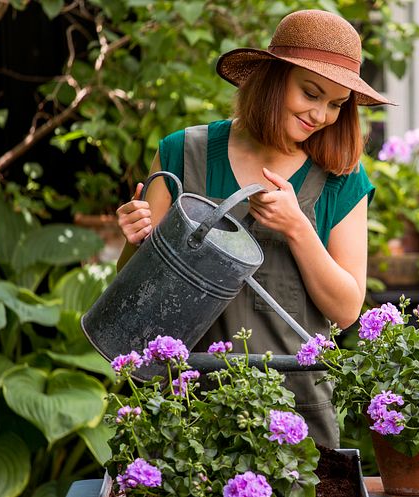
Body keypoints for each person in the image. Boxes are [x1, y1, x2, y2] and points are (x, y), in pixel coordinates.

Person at [114, 9, 392, 448]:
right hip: (183, 411)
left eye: (337, 104)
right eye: (311, 93)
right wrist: (136, 239)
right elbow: (133, 290)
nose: (320, 115)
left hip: (293, 418)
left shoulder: (341, 179)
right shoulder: (184, 152)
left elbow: (345, 309)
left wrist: (298, 229)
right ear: (272, 79)